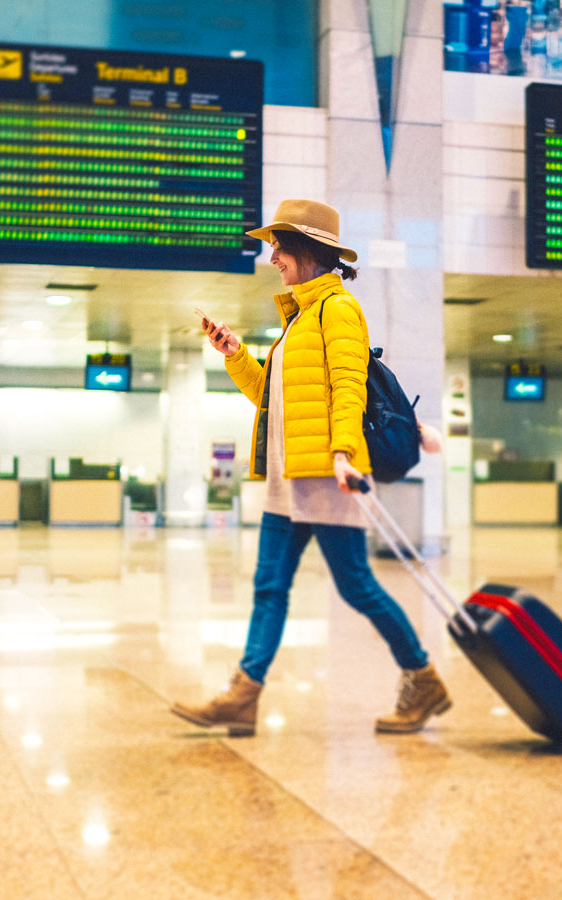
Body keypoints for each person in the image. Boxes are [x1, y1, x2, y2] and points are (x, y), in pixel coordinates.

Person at [170, 198, 450, 737]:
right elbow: (273, 403)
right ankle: (243, 696)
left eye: (279, 245)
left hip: (324, 473)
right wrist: (235, 354)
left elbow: (348, 388)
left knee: (357, 587)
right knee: (269, 585)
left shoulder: (337, 309)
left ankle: (423, 678)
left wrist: (345, 454)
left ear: (307, 249)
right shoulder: (298, 319)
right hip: (288, 478)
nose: (271, 254)